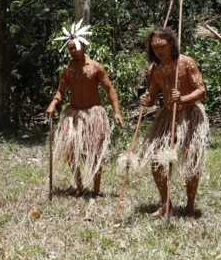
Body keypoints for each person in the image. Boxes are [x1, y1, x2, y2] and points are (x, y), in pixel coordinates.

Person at [46, 19, 124, 197]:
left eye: (76, 47)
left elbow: (110, 89)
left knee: (95, 152)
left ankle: (96, 191)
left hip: (94, 113)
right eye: (70, 48)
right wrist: (53, 103)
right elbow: (60, 91)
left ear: (85, 47)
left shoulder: (96, 67)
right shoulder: (67, 70)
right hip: (73, 114)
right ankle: (79, 185)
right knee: (70, 150)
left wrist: (116, 112)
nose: (73, 51)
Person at [137, 26, 209, 217]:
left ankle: (190, 204)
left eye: (162, 46)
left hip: (190, 114)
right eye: (154, 47)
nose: (158, 51)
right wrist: (146, 100)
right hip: (168, 115)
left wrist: (183, 98)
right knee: (156, 160)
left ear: (172, 43)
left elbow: (201, 90)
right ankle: (166, 203)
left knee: (191, 161)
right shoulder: (154, 68)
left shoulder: (185, 62)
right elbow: (151, 97)